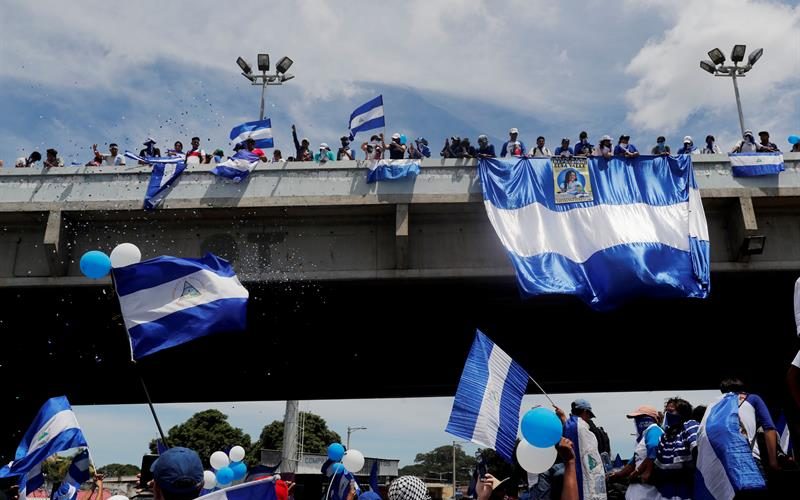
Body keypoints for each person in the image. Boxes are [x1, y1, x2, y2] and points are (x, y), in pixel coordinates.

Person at [719, 377, 779, 475]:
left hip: (724, 460)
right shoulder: (753, 399)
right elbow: (769, 429)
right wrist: (773, 462)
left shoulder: (717, 405)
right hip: (750, 457)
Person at [607, 405, 663, 499]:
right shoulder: (643, 438)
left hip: (648, 493)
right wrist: (616, 475)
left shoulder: (653, 430)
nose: (636, 422)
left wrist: (643, 471)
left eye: (638, 418)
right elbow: (632, 463)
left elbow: (654, 446)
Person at [557, 401, 607, 500]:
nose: (589, 418)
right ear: (585, 411)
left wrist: (563, 417)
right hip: (587, 480)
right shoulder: (579, 426)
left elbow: (570, 429)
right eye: (589, 415)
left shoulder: (574, 425)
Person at [652, 397, 699, 500]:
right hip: (667, 490)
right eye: (666, 411)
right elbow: (659, 465)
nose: (667, 415)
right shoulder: (665, 436)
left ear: (682, 413)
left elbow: (697, 451)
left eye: (671, 411)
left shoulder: (689, 425)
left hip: (687, 487)